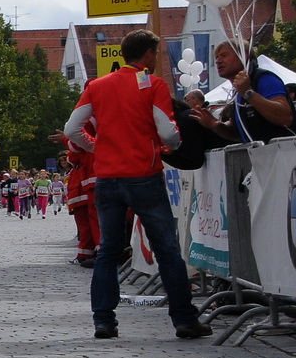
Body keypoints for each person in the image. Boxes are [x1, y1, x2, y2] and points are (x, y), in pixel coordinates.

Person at [65, 29, 211, 340]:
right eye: (155, 54)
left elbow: (72, 128)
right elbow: (168, 130)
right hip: (143, 174)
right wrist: (167, 144)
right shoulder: (154, 84)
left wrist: (95, 146)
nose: (156, 60)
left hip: (107, 177)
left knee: (107, 251)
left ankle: (103, 320)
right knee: (167, 250)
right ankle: (184, 319)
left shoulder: (97, 85)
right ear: (147, 55)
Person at [190, 42, 296, 144]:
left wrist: (248, 93)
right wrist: (215, 125)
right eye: (217, 57)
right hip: (263, 159)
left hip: (288, 157)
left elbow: (285, 117)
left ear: (244, 55)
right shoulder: (237, 92)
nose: (218, 61)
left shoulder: (263, 78)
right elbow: (237, 133)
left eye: (224, 55)